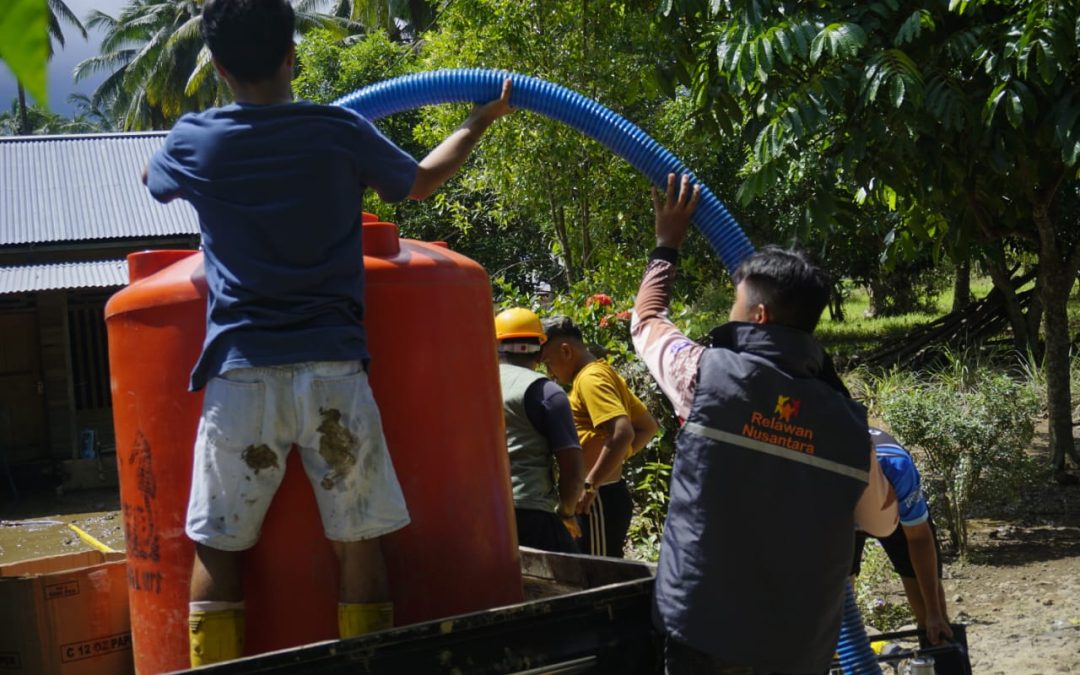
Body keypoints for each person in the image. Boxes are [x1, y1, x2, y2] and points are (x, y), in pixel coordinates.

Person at [142, 0, 514, 665]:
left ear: (219, 67)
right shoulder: (340, 130)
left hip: (241, 371)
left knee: (220, 546)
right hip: (333, 370)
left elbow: (153, 180)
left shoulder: (194, 140)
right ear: (293, 55)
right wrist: (480, 117)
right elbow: (422, 182)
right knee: (357, 542)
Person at [632, 174, 898, 674]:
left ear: (756, 314)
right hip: (798, 648)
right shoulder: (847, 422)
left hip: (703, 632)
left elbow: (645, 322)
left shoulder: (703, 375)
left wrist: (667, 244)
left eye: (734, 303)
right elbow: (884, 522)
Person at [540, 315, 659, 558]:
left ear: (565, 350)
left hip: (598, 501)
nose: (550, 373)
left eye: (548, 363)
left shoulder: (590, 379)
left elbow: (623, 432)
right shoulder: (601, 372)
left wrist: (591, 483)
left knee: (597, 581)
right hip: (601, 497)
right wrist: (612, 462)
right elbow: (647, 427)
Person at [857, 427, 961, 672]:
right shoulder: (820, 474)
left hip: (889, 506)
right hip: (842, 512)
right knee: (838, 613)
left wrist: (934, 613)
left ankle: (940, 661)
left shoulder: (897, 467)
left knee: (931, 614)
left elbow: (919, 539)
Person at [494, 308, 585, 553]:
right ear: (541, 350)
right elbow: (574, 473)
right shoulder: (546, 392)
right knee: (575, 580)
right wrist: (565, 513)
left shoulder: (470, 385)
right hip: (531, 513)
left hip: (480, 512)